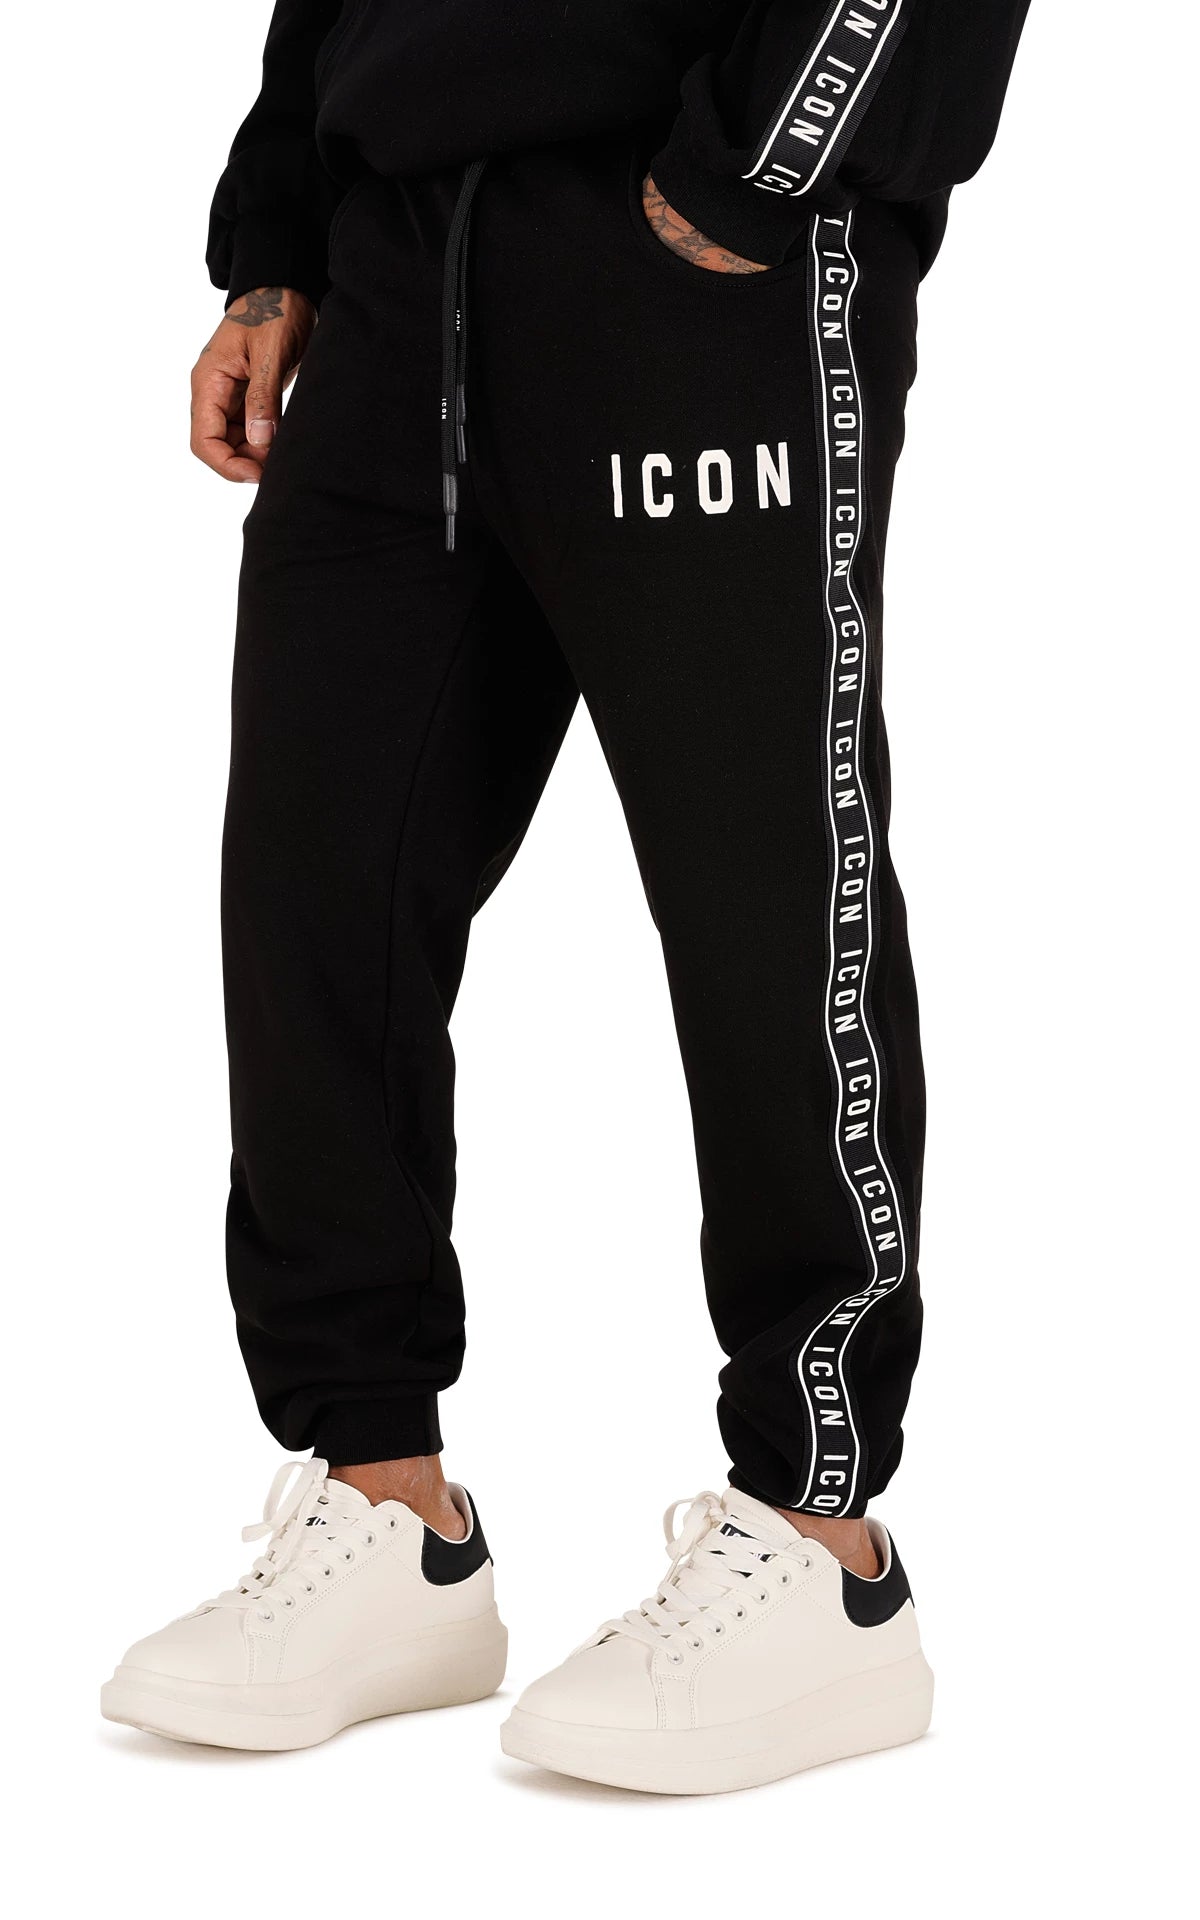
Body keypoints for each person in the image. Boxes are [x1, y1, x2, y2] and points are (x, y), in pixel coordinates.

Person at [101, 0, 1030, 1791]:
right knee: (314, 889)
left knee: (761, 884)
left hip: (692, 243)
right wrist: (276, 237)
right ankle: (389, 1509)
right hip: (394, 261)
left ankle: (821, 1540)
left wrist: (761, 167)